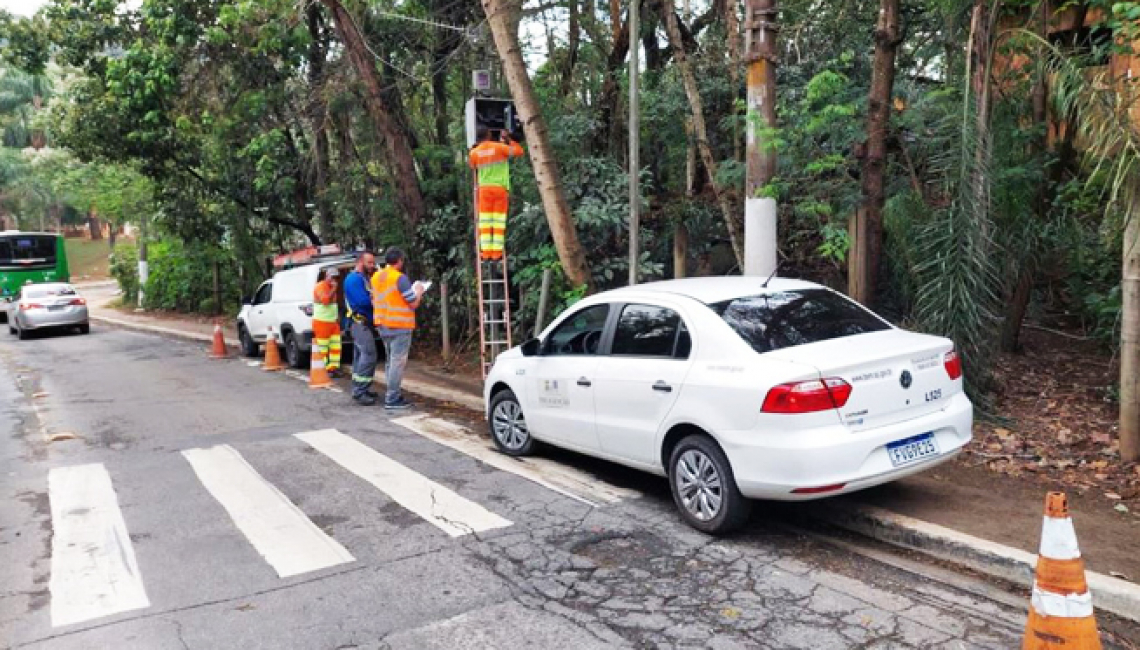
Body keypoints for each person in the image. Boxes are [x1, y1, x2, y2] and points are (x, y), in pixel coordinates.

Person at [371, 247, 423, 410]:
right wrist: (419, 291)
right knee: (397, 363)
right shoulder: (400, 278)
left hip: (382, 324)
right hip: (399, 326)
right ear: (399, 260)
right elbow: (413, 303)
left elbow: (374, 299)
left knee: (390, 361)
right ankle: (392, 398)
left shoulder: (376, 277)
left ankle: (392, 394)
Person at [468, 125, 524, 261]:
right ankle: (497, 254)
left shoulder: (474, 153)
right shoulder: (499, 147)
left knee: (485, 222)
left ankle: (486, 254)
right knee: (498, 221)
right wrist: (509, 139)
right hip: (500, 189)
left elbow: (472, 165)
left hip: (484, 190)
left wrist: (475, 148)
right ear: (489, 135)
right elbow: (519, 151)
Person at [344, 252, 379, 406]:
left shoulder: (363, 278)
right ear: (360, 262)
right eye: (370, 263)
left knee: (360, 357)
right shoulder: (353, 279)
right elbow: (362, 302)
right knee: (369, 355)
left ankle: (359, 388)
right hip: (359, 323)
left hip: (362, 324)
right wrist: (375, 299)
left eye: (373, 263)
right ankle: (360, 391)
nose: (372, 266)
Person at [312, 267, 342, 377]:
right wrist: (333, 289)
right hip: (322, 322)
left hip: (332, 322)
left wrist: (337, 318)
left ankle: (333, 368)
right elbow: (325, 301)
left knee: (335, 346)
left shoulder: (332, 287)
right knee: (323, 347)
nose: (334, 280)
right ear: (326, 276)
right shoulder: (320, 286)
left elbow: (333, 304)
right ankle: (324, 369)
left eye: (336, 278)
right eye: (332, 277)